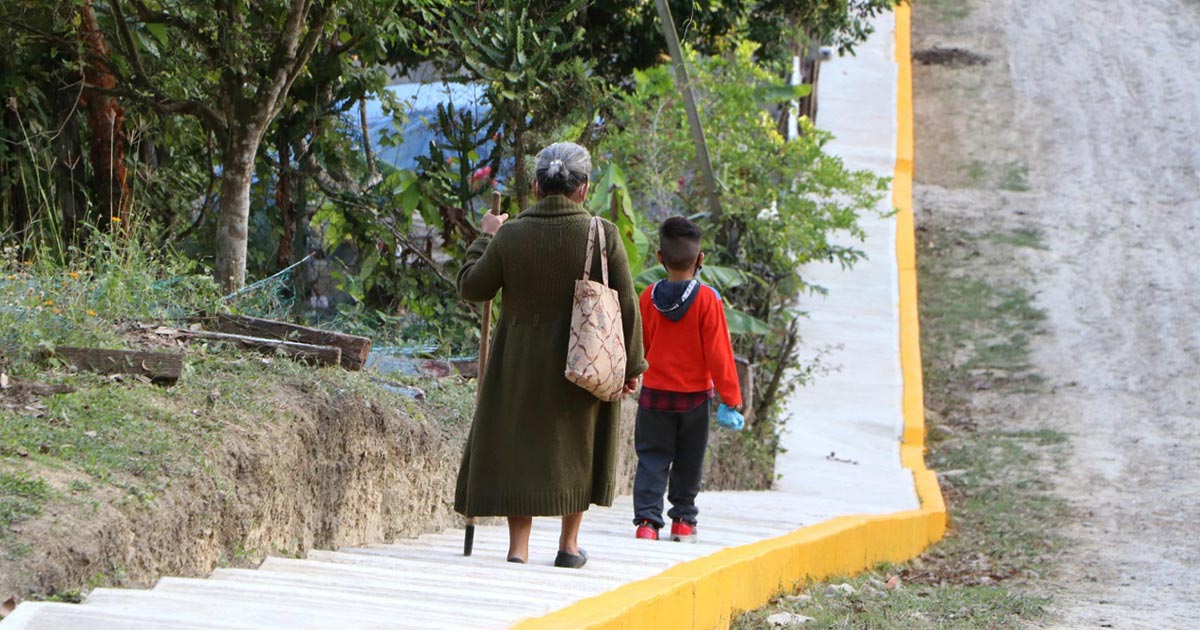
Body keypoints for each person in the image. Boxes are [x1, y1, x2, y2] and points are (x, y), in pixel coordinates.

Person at [454, 142, 647, 568]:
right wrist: (632, 366)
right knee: (578, 442)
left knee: (521, 442)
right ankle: (569, 546)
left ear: (536, 186)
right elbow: (626, 304)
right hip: (584, 359)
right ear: (584, 188)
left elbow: (472, 286)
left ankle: (518, 549)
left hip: (519, 362)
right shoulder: (602, 233)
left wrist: (485, 236)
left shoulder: (511, 234)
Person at [633, 216, 744, 542]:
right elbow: (719, 354)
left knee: (651, 458)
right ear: (701, 259)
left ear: (659, 257)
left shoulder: (648, 297)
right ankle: (682, 521)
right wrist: (731, 398)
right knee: (689, 460)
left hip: (654, 396)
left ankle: (647, 524)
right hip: (695, 399)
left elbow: (639, 346)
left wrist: (630, 376)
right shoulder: (708, 300)